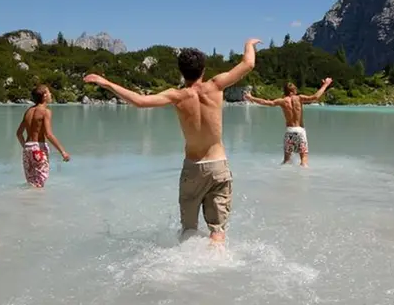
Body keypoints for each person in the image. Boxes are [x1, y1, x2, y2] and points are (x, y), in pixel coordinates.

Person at [83, 38, 262, 245]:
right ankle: (217, 268)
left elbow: (140, 101)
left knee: (188, 230)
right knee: (218, 231)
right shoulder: (215, 85)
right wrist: (249, 44)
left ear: (181, 71)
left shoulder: (176, 96)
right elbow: (248, 64)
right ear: (203, 70)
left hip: (193, 168)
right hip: (218, 166)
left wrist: (106, 83)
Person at [244, 78, 332, 167]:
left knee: (286, 161)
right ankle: (304, 178)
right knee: (304, 160)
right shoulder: (299, 98)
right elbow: (315, 97)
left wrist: (251, 97)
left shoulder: (282, 101)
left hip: (289, 132)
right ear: (294, 90)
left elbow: (266, 102)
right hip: (300, 131)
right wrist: (325, 85)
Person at [16, 84, 71, 188]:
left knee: (31, 183)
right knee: (39, 183)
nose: (51, 94)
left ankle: (28, 203)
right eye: (49, 92)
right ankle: (37, 202)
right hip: (38, 149)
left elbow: (19, 133)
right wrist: (63, 152)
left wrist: (26, 147)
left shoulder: (28, 111)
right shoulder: (45, 112)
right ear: (45, 96)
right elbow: (48, 134)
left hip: (27, 148)